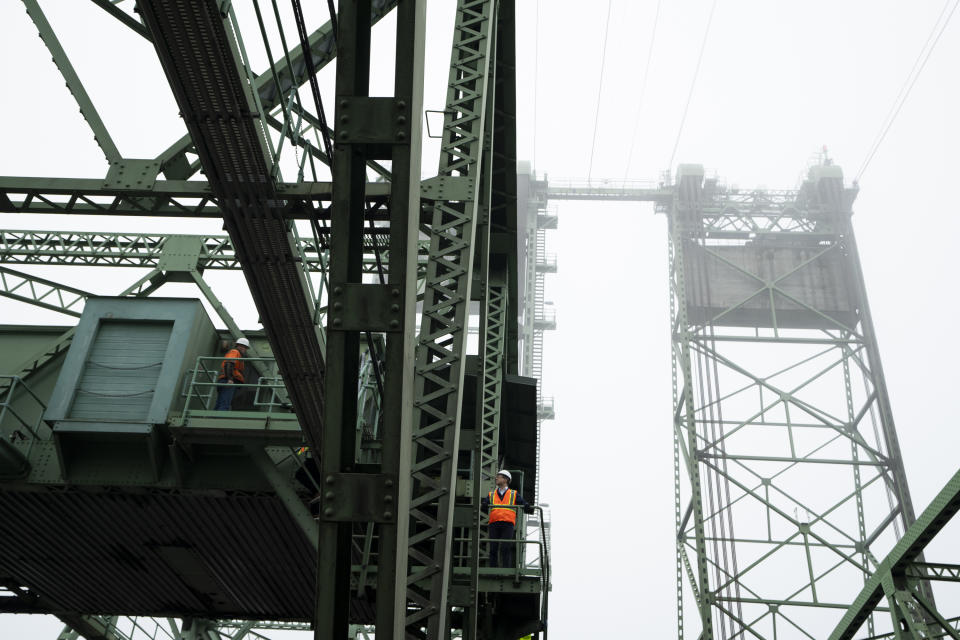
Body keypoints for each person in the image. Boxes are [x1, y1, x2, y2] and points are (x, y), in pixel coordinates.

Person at [481, 469, 533, 568]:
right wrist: (483, 505)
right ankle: (493, 569)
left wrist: (527, 507)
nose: (496, 478)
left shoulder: (513, 494)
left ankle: (505, 569)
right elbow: (485, 504)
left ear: (505, 479)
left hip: (507, 524)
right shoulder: (491, 494)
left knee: (505, 548)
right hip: (494, 523)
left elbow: (522, 502)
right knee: (493, 548)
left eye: (499, 476)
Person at [214, 337, 249, 410]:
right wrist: (230, 379)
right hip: (228, 381)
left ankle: (214, 417)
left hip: (225, 380)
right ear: (238, 346)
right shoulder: (235, 352)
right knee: (224, 403)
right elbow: (229, 364)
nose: (244, 349)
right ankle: (219, 418)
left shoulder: (237, 354)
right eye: (243, 346)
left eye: (245, 347)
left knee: (221, 402)